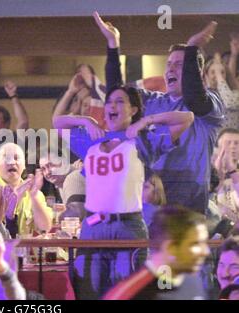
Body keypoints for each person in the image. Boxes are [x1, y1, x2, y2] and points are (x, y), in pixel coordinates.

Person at [54, 82, 193, 299]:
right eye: (109, 101)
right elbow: (57, 122)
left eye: (120, 101)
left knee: (128, 292)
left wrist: (147, 121)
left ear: (133, 110)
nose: (113, 106)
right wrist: (85, 120)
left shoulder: (142, 140)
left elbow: (187, 118)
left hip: (128, 225)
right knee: (88, 291)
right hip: (93, 226)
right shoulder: (89, 138)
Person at [94, 11, 224, 214]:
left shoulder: (210, 104)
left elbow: (196, 99)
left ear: (196, 72)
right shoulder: (152, 101)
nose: (171, 69)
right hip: (151, 203)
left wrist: (192, 50)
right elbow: (117, 96)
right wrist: (113, 45)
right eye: (169, 64)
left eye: (179, 65)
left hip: (189, 204)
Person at [104, 206, 210, 300]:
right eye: (196, 244)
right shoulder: (129, 294)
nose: (206, 252)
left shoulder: (193, 282)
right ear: (171, 247)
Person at [0, 143, 53, 237]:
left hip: (24, 250)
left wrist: (34, 197)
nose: (11, 162)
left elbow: (45, 228)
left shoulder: (35, 194)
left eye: (16, 158)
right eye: (6, 158)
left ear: (24, 166)